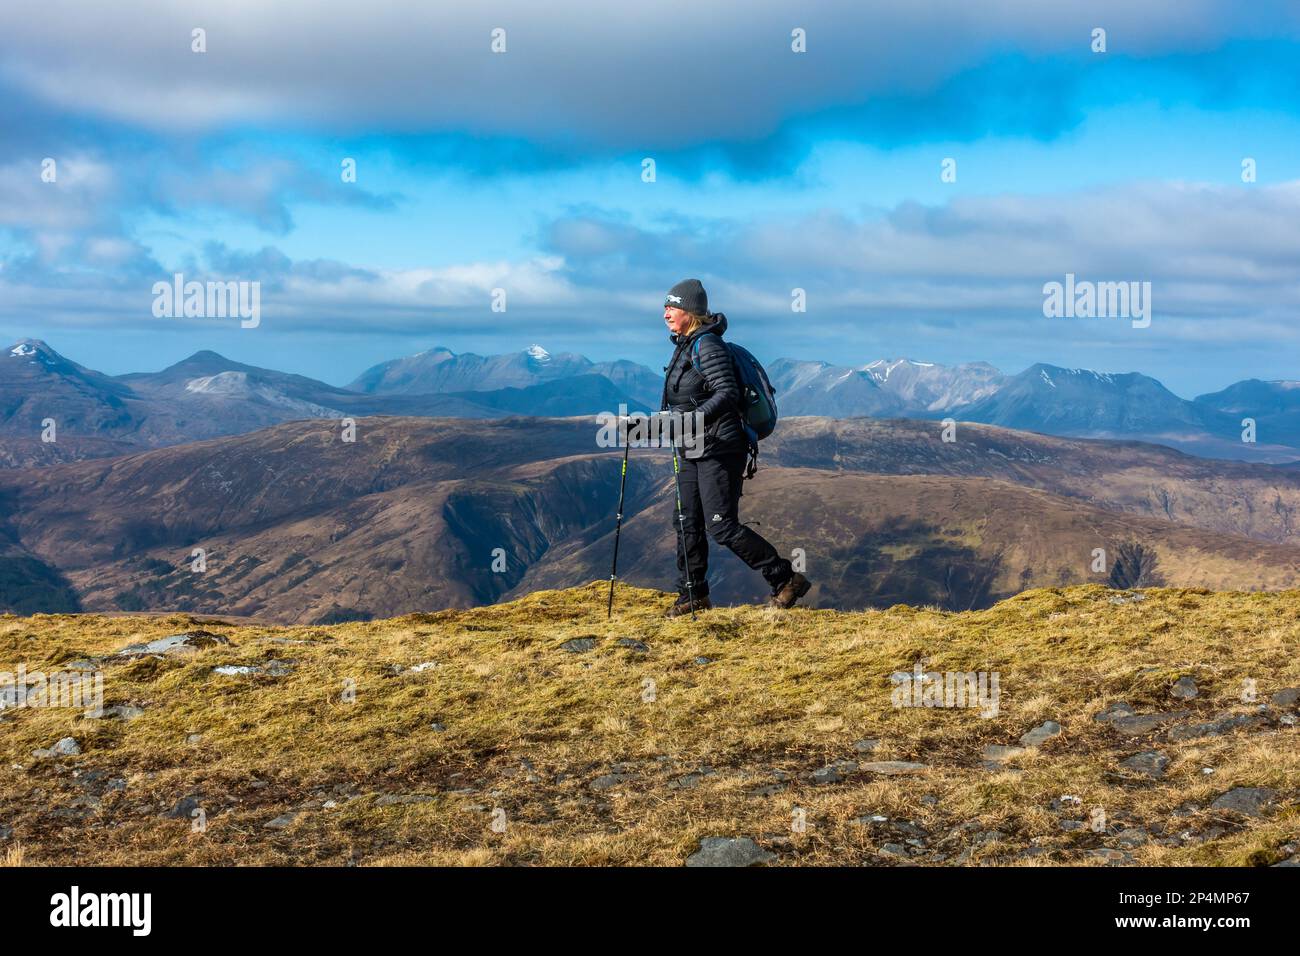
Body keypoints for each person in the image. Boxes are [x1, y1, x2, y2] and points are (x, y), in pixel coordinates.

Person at [659, 278, 811, 617]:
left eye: (673, 306)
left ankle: (785, 579)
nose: (666, 312)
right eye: (666, 306)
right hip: (690, 447)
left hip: (718, 447)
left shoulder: (708, 346)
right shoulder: (683, 345)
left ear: (691, 312)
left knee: (721, 524)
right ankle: (692, 595)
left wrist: (690, 421)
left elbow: (726, 394)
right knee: (685, 521)